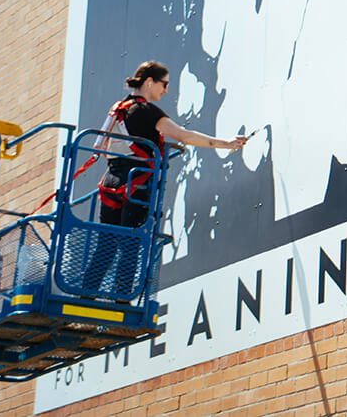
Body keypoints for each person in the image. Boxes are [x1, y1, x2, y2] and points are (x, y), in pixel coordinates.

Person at [83, 61, 246, 296]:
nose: (166, 90)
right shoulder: (146, 111)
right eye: (164, 84)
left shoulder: (119, 109)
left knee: (106, 245)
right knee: (131, 243)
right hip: (136, 182)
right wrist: (225, 143)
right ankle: (122, 300)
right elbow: (184, 136)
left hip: (111, 182)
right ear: (150, 82)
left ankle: (86, 294)